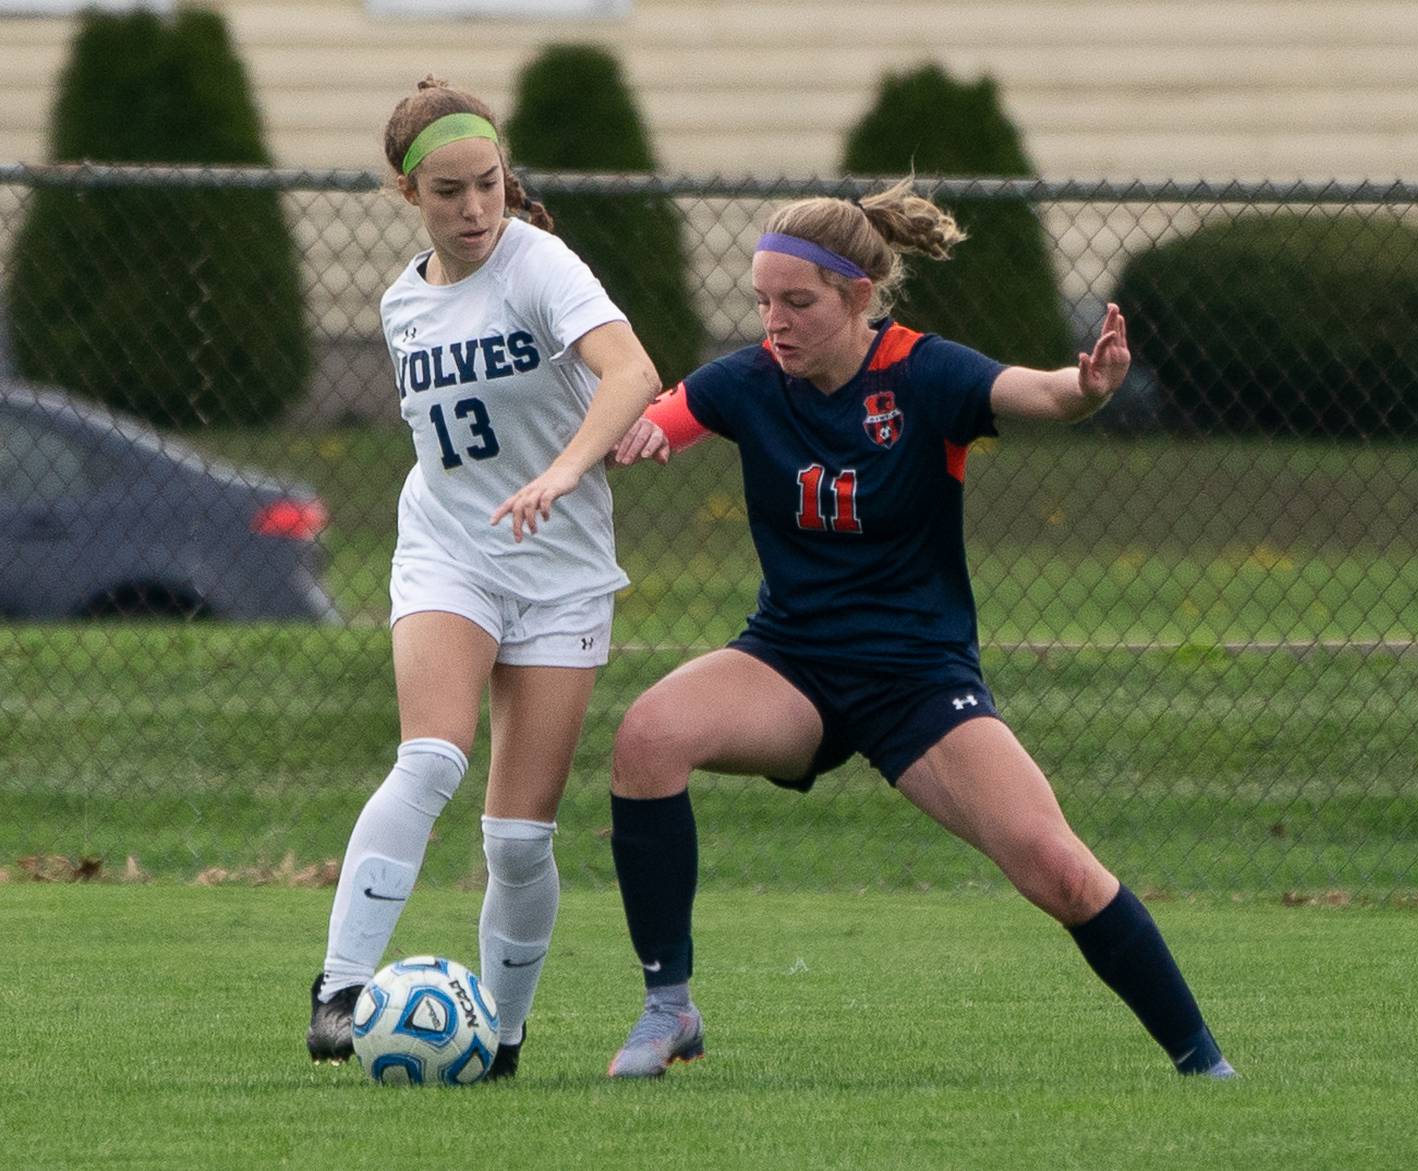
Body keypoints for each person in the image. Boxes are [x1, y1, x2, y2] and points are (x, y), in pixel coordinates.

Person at [600, 180, 1236, 1080]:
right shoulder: (749, 381)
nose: (773, 322)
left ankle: (1204, 1064)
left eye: (798, 302)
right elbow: (662, 416)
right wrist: (634, 435)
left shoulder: (923, 373)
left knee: (1057, 868)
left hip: (917, 679)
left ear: (858, 296)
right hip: (792, 664)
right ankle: (670, 1008)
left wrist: (1087, 389)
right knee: (648, 736)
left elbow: (1041, 394)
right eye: (762, 302)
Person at [306, 76, 661, 1078]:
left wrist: (562, 469)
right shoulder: (399, 302)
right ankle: (338, 991)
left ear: (509, 179)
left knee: (514, 838)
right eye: (449, 192)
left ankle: (500, 1038)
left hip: (558, 571)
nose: (472, 210)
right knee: (431, 758)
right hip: (450, 551)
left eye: (488, 185)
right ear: (408, 193)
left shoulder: (540, 263)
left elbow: (633, 372)